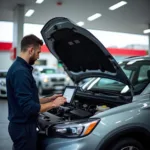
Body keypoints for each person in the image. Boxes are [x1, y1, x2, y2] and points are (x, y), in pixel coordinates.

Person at [6, 34, 66, 150]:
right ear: (31, 50)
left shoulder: (20, 68)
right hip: (23, 128)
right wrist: (54, 104)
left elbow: (29, 99)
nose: (38, 56)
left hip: (21, 126)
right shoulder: (20, 72)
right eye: (38, 52)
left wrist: (49, 99)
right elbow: (28, 107)